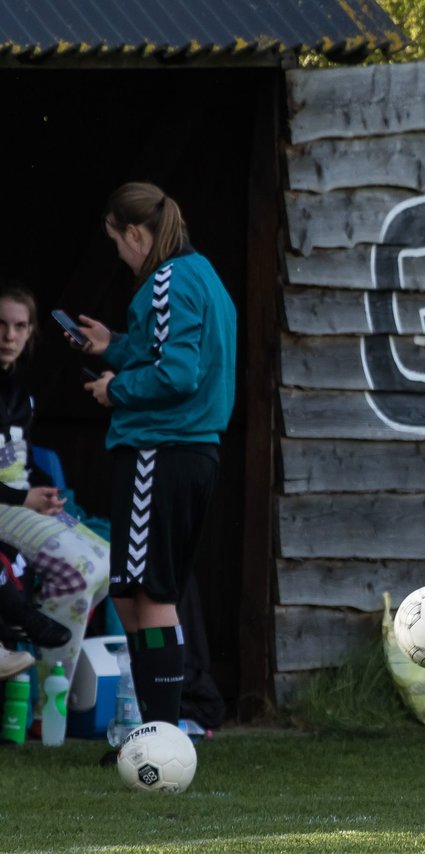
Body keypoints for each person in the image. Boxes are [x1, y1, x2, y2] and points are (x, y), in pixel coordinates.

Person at [71, 182, 237, 730]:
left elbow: (177, 373)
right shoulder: (202, 275)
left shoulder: (166, 279)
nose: (118, 254)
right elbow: (165, 350)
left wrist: (114, 388)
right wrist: (113, 346)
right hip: (187, 453)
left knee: (149, 593)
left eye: (117, 241)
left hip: (158, 451)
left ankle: (161, 732)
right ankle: (153, 725)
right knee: (132, 591)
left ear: (135, 232)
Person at [0, 283, 109, 699]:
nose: (9, 336)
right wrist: (22, 498)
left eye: (19, 326)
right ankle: (48, 697)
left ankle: (48, 686)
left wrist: (37, 492)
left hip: (19, 499)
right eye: (2, 325)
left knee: (105, 562)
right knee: (77, 570)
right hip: (7, 505)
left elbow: (16, 462)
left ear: (30, 333)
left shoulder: (21, 390)